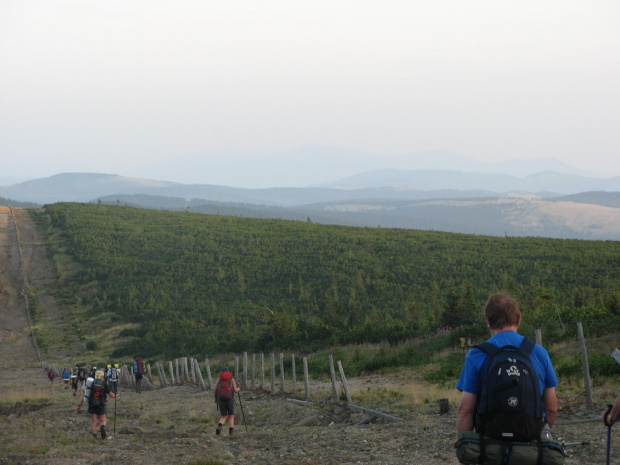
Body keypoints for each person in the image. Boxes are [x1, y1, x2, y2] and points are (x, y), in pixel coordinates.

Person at [456, 294, 559, 460]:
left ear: (488, 322)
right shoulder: (539, 353)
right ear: (518, 320)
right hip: (530, 452)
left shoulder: (477, 354)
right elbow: (551, 408)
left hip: (489, 450)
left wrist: (464, 455)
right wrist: (535, 435)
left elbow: (465, 410)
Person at [76, 369, 118, 439]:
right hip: (101, 404)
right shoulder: (104, 384)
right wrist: (115, 395)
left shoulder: (91, 383)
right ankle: (102, 426)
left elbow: (85, 395)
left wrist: (79, 405)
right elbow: (112, 395)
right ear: (102, 376)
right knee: (103, 419)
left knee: (94, 421)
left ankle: (94, 435)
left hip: (92, 404)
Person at [214, 367, 240, 436]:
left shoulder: (219, 380)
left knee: (224, 416)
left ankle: (220, 426)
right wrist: (238, 388)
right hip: (229, 399)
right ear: (228, 372)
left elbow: (216, 390)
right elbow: (235, 390)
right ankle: (231, 432)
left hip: (221, 399)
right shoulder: (232, 379)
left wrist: (216, 399)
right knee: (231, 416)